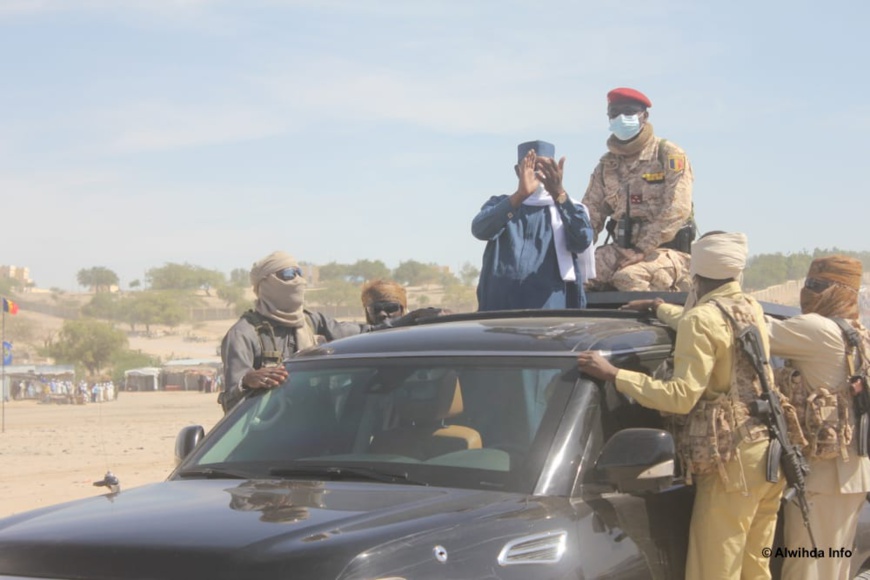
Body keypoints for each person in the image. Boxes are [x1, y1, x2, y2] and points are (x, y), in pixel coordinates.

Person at [577, 231, 785, 580]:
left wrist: (615, 375)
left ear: (697, 277)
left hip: (730, 467)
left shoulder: (701, 319)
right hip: (768, 455)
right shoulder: (750, 308)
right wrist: (660, 307)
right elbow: (706, 323)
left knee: (715, 570)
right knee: (754, 568)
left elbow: (680, 396)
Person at [767, 255, 870, 580]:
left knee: (808, 569)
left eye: (816, 286)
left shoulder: (815, 329)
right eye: (808, 284)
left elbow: (749, 330)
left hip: (825, 476)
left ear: (837, 292)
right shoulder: (857, 333)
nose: (806, 292)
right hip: (849, 474)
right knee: (832, 568)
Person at [219, 251, 370, 413]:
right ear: (266, 282)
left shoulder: (313, 322)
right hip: (271, 431)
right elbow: (230, 404)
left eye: (299, 273)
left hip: (322, 426)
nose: (298, 280)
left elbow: (367, 334)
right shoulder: (244, 334)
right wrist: (246, 381)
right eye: (288, 274)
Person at [582, 87, 695, 292]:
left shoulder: (667, 154)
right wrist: (575, 248)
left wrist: (642, 249)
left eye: (628, 112)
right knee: (578, 279)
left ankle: (675, 300)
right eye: (615, 114)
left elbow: (678, 209)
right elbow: (590, 214)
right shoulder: (607, 166)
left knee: (628, 279)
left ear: (644, 116)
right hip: (622, 250)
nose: (621, 118)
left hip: (665, 251)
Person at [472, 140, 594, 311]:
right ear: (518, 171)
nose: (538, 173)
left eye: (545, 167)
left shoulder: (570, 207)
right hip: (500, 306)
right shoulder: (500, 204)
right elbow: (480, 230)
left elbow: (582, 240)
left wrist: (559, 194)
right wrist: (520, 195)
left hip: (550, 305)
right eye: (532, 167)